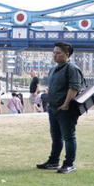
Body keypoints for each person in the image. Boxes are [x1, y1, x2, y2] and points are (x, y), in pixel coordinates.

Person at [36, 41, 84, 174]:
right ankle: (53, 161)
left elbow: (74, 87)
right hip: (53, 108)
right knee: (56, 136)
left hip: (66, 109)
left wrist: (66, 104)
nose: (54, 55)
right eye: (54, 52)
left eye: (58, 53)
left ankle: (69, 163)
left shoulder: (72, 68)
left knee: (69, 136)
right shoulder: (54, 69)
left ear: (67, 55)